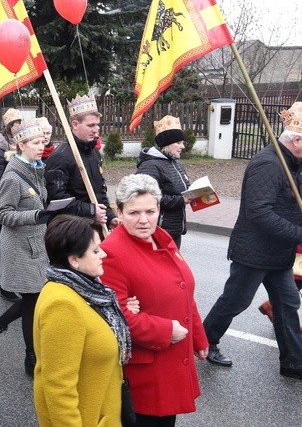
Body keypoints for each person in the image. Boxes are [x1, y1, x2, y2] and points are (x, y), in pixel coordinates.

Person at [202, 102, 302, 378]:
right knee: (235, 300)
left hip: (278, 255)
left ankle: (294, 361)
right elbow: (259, 213)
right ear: (296, 140)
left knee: (288, 304)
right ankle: (205, 342)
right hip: (254, 252)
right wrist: (298, 234)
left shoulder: (292, 163)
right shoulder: (268, 164)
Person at [100, 174, 208, 426]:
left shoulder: (161, 237)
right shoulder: (112, 252)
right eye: (134, 213)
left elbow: (183, 293)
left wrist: (198, 335)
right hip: (147, 369)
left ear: (159, 209)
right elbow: (116, 317)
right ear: (119, 211)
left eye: (150, 211)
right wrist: (166, 330)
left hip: (173, 358)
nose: (143, 220)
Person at [35, 215, 133, 427]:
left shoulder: (86, 290)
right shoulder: (62, 305)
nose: (104, 254)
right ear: (74, 260)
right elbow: (59, 388)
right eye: (96, 251)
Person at [0, 118, 49, 376]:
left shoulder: (36, 169)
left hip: (36, 244)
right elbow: (4, 215)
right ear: (21, 145)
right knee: (33, 299)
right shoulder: (13, 176)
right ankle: (30, 358)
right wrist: (34, 217)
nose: (41, 147)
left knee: (35, 299)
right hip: (20, 248)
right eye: (35, 143)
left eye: (42, 142)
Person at [44, 94, 118, 228]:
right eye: (91, 125)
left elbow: (100, 192)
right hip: (71, 231)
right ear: (75, 124)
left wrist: (110, 217)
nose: (96, 130)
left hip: (95, 228)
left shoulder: (94, 153)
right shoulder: (60, 156)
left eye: (97, 125)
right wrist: (90, 211)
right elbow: (57, 201)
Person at [136, 115, 191, 247]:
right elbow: (147, 198)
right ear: (166, 144)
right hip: (158, 231)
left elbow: (180, 187)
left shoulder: (174, 162)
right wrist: (180, 200)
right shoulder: (150, 165)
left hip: (174, 230)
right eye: (178, 143)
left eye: (182, 142)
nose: (182, 146)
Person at [0, 108, 24, 302]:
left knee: (18, 247)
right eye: (14, 124)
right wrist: (5, 205)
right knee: (6, 246)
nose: (18, 126)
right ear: (8, 127)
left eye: (20, 122)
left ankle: (16, 282)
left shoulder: (20, 147)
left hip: (22, 203)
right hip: (7, 204)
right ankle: (5, 286)